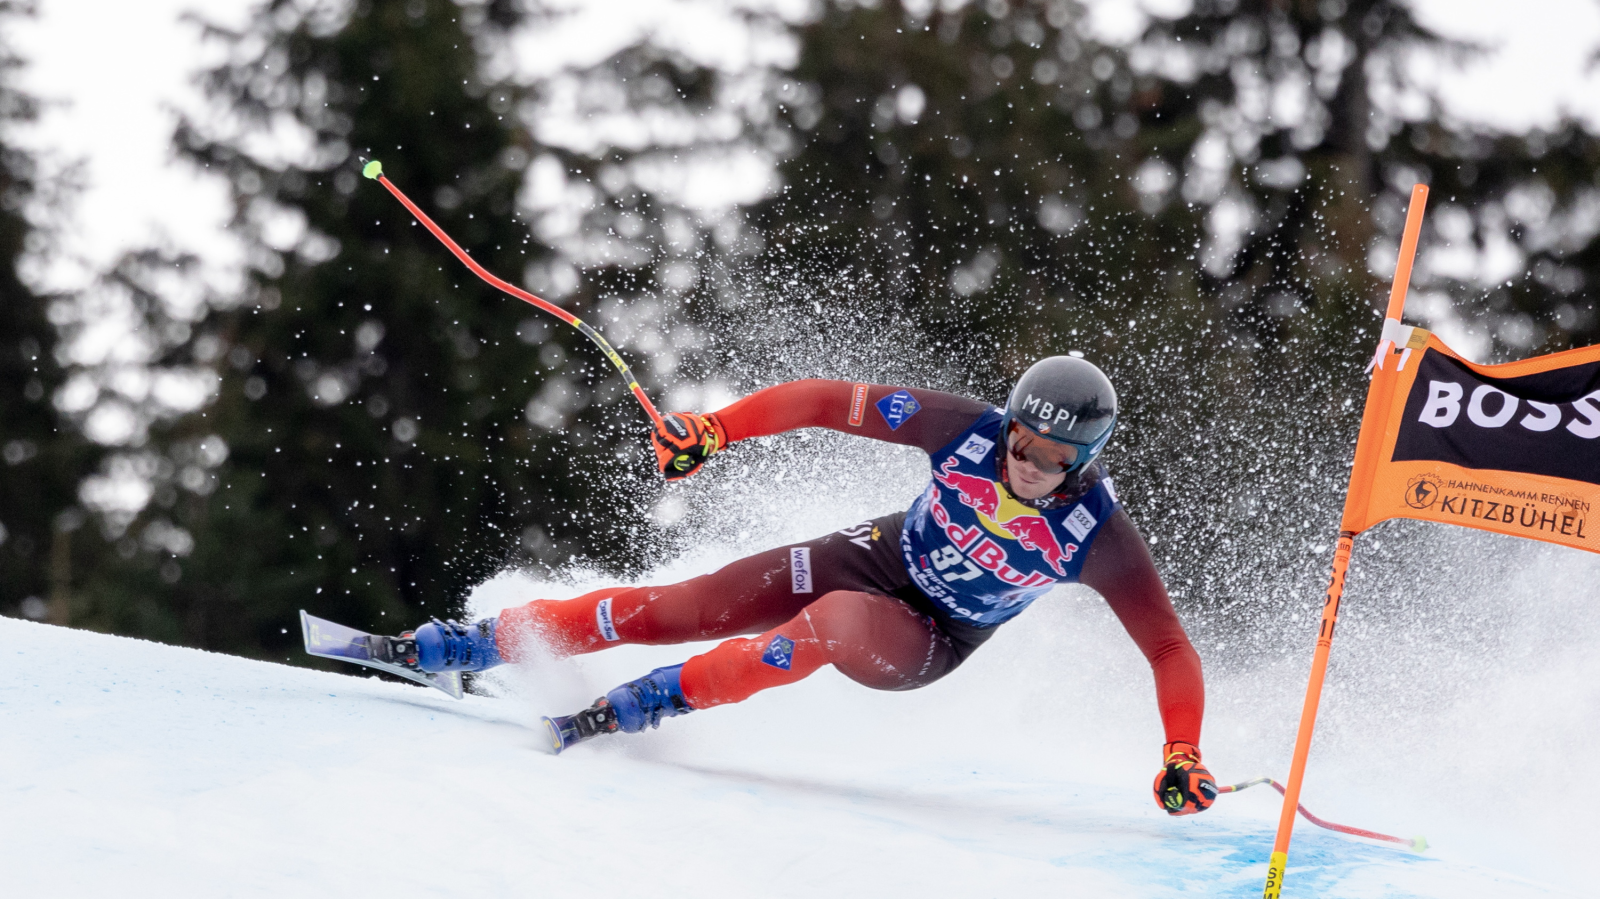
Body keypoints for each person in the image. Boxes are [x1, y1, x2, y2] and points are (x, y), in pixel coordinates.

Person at [382, 357, 1216, 816]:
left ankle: (647, 701)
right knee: (685, 604)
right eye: (1022, 443)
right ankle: (482, 641)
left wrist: (1182, 750)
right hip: (878, 554)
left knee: (836, 621)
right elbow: (825, 400)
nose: (1027, 464)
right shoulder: (967, 429)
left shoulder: (1097, 534)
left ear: (1086, 460)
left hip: (930, 637)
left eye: (1053, 458)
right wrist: (715, 429)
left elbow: (1169, 647)